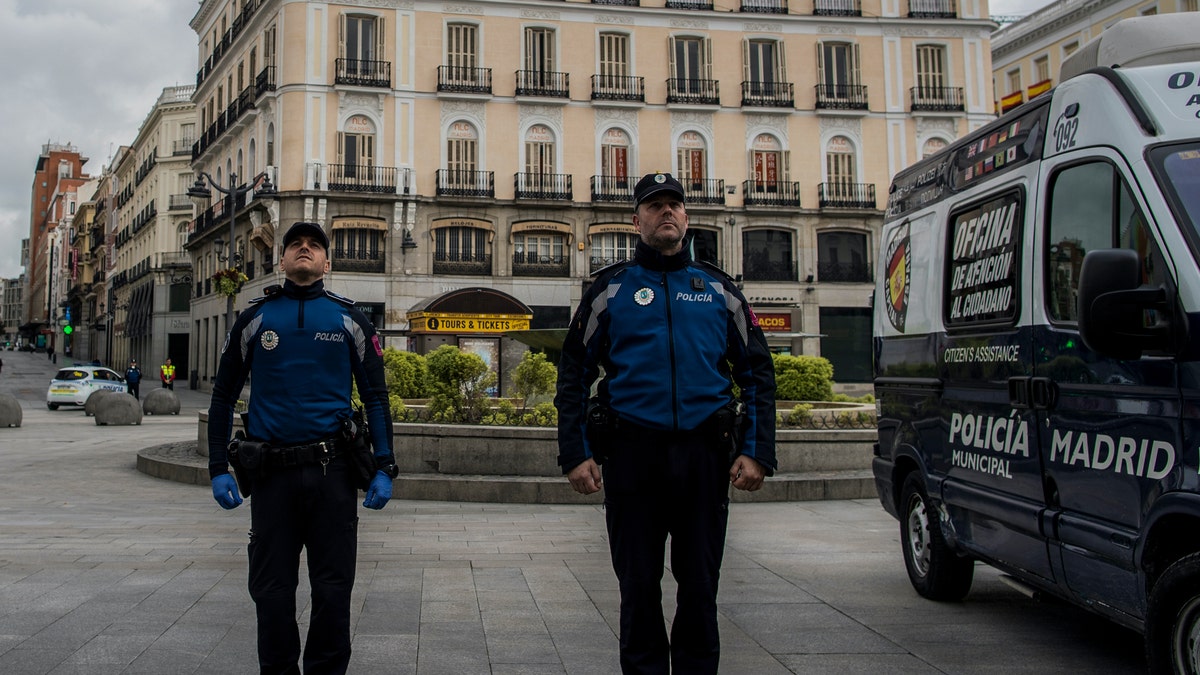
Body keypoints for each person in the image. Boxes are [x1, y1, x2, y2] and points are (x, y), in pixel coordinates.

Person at [555, 172, 777, 675]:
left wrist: (758, 449)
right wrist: (576, 452)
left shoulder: (721, 291)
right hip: (633, 457)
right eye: (654, 207)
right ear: (637, 221)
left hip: (704, 455)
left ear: (687, 216)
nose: (666, 213)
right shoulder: (609, 291)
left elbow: (757, 374)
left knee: (700, 589)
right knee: (637, 589)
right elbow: (573, 374)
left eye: (674, 204)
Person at [207, 221, 397, 675]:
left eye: (314, 245)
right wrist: (217, 468)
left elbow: (375, 397)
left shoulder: (350, 318)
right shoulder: (254, 319)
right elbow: (222, 396)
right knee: (271, 592)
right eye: (296, 245)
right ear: (282, 260)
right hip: (270, 475)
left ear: (327, 262)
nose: (305, 250)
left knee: (333, 591)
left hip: (333, 475)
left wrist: (386, 466)